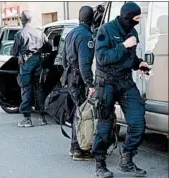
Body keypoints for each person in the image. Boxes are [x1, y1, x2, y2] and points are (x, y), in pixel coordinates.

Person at [92, 2, 148, 177]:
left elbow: (130, 58)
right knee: (105, 125)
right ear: (127, 16)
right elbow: (102, 58)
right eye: (136, 18)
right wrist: (123, 45)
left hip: (125, 82)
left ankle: (127, 160)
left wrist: (139, 64)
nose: (138, 21)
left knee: (138, 121)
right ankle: (100, 164)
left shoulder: (132, 31)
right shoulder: (106, 30)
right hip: (106, 83)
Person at [62, 6, 95, 161]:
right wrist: (90, 84)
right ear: (92, 19)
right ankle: (78, 149)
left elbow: (62, 59)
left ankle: (74, 147)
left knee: (77, 111)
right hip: (79, 78)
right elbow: (84, 64)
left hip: (70, 76)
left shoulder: (71, 33)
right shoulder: (86, 36)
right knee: (82, 113)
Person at [10, 10, 52, 127]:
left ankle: (27, 118)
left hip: (26, 62)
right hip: (38, 61)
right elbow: (48, 47)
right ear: (31, 19)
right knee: (39, 88)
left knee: (26, 89)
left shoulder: (20, 34)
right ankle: (42, 117)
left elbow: (13, 52)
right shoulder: (40, 32)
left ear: (21, 20)